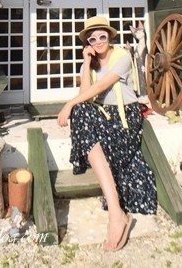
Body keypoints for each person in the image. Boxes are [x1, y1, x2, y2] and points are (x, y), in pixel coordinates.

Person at [57, 15, 157, 251]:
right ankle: (117, 212)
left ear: (110, 37)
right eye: (93, 38)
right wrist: (85, 62)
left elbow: (102, 86)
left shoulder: (121, 56)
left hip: (124, 119)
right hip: (104, 118)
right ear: (88, 43)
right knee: (81, 111)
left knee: (77, 108)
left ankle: (116, 215)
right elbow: (86, 93)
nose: (99, 41)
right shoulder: (90, 63)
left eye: (102, 36)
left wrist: (68, 104)